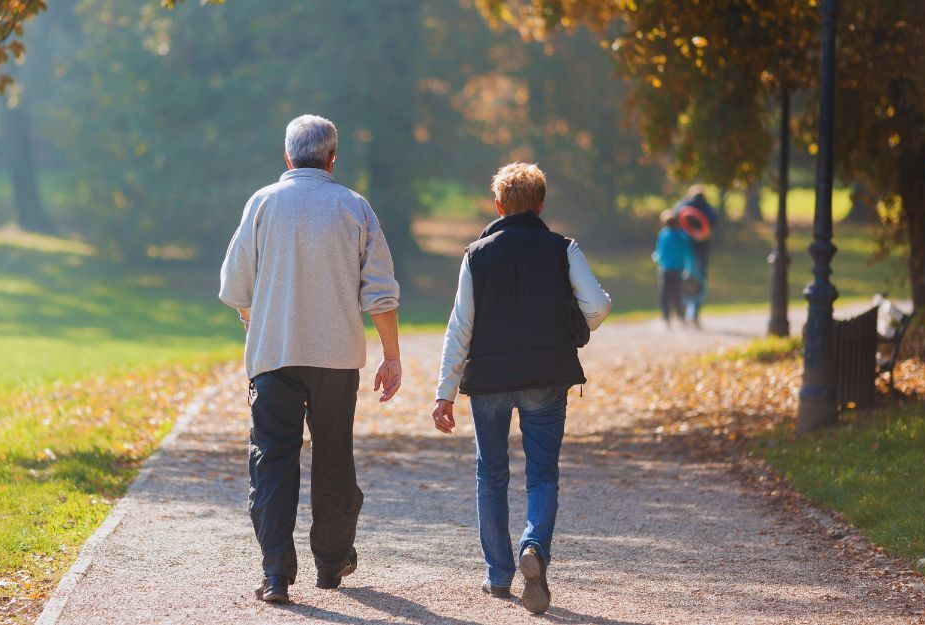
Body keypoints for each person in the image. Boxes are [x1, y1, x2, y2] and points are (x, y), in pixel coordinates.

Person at [219, 114, 403, 603]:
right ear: (332, 158)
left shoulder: (262, 204)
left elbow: (236, 287)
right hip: (336, 358)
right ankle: (332, 561)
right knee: (334, 458)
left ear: (287, 157)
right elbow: (381, 294)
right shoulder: (353, 207)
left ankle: (276, 574)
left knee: (273, 461)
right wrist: (391, 356)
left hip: (273, 358)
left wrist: (257, 324)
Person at [430, 163, 611, 614]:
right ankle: (534, 547)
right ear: (540, 204)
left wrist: (445, 392)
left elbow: (460, 328)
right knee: (542, 474)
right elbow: (599, 306)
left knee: (490, 474)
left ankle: (497, 575)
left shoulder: (476, 254)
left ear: (498, 206)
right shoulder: (562, 248)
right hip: (547, 376)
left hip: (489, 381)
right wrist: (568, 326)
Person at [673, 184, 718, 326]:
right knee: (699, 282)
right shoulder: (707, 208)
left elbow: (674, 217)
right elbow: (712, 222)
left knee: (682, 280)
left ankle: (682, 313)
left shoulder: (682, 205)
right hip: (700, 249)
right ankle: (694, 315)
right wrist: (702, 233)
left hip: (683, 250)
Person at [652, 209, 695, 328]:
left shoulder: (663, 235)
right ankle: (681, 317)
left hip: (666, 269)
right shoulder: (683, 236)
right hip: (679, 269)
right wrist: (688, 268)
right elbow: (688, 253)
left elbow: (659, 253)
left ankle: (666, 318)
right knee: (678, 294)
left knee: (665, 294)